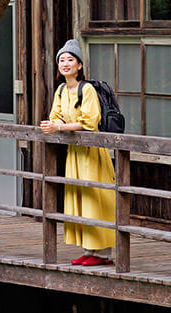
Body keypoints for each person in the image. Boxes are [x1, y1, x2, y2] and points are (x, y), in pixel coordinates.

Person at [40, 39, 115, 267]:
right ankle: (88, 249)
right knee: (79, 198)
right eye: (62, 60)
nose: (65, 64)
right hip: (75, 153)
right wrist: (54, 124)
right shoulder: (62, 90)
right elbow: (56, 115)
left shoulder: (87, 89)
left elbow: (89, 122)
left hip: (92, 152)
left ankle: (103, 253)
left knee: (95, 198)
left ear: (79, 65)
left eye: (70, 60)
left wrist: (59, 127)